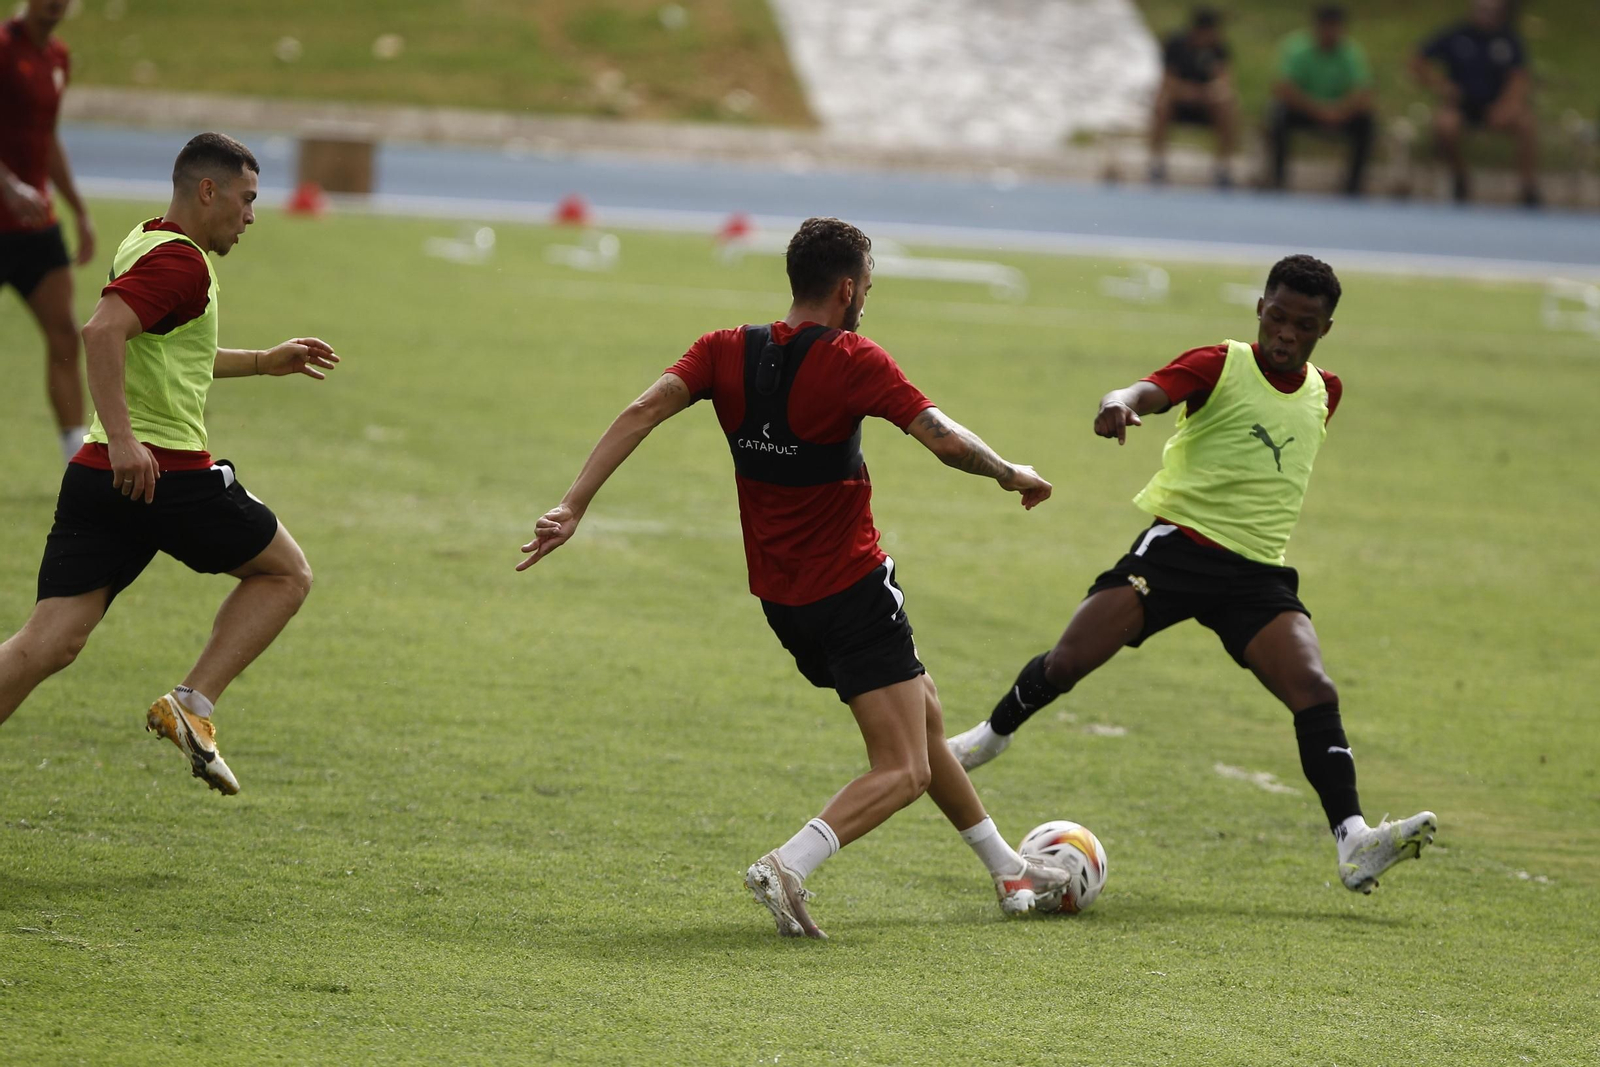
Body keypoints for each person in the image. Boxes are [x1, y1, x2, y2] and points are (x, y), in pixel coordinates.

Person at [518, 217, 1065, 938]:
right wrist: (1009, 472)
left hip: (784, 602)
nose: (867, 299)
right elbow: (943, 438)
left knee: (924, 710)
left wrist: (573, 504)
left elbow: (642, 410)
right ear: (847, 290)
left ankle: (1007, 867)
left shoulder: (723, 349)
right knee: (904, 769)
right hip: (853, 591)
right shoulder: (854, 359)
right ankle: (789, 863)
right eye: (867, 287)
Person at [946, 255, 1437, 896]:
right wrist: (1117, 404)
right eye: (1278, 317)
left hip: (1255, 572)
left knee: (1315, 690)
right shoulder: (1219, 363)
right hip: (1177, 552)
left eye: (1304, 325)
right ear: (1260, 308)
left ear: (1325, 330)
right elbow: (1143, 392)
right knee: (1069, 661)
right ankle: (988, 739)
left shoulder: (1327, 392)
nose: (1286, 333)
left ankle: (1354, 841)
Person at [0, 133, 339, 796]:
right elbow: (101, 331)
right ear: (207, 191)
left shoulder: (148, 240)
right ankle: (193, 703)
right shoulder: (183, 262)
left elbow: (166, 347)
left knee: (46, 644)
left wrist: (263, 361)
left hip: (102, 477)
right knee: (287, 574)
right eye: (246, 199)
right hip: (165, 473)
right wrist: (128, 439)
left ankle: (191, 705)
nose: (251, 215)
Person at [0, 0, 93, 463]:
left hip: (37, 224)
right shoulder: (3, 47)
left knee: (64, 335)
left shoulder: (58, 56)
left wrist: (79, 210)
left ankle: (75, 456)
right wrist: (8, 186)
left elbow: (48, 136)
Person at [1411, 0, 1538, 206]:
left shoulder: (1508, 39)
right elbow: (1417, 60)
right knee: (1444, 126)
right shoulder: (1456, 34)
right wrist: (1441, 85)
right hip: (1461, 106)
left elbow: (1519, 77)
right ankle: (1460, 177)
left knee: (1526, 124)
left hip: (1497, 107)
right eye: (1482, 10)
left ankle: (1528, 187)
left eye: (1492, 11)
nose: (1486, 15)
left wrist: (1508, 105)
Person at [1267, 5, 1377, 196]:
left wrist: (1339, 111)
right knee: (1278, 114)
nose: (1331, 33)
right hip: (1304, 110)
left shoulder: (1350, 52)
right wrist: (1318, 110)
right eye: (1327, 27)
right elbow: (1284, 89)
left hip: (1340, 113)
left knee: (1366, 122)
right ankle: (1278, 178)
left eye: (1335, 28)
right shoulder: (1298, 48)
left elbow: (1363, 92)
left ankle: (1353, 185)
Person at [1148, 6, 1239, 188]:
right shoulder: (1176, 45)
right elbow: (1167, 81)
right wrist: (1187, 92)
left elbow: (1224, 82)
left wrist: (1207, 92)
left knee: (1227, 105)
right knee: (1161, 103)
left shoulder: (1217, 48)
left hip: (1207, 102)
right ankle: (1157, 162)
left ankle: (1223, 167)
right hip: (1179, 100)